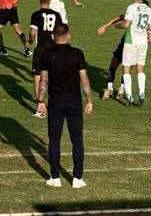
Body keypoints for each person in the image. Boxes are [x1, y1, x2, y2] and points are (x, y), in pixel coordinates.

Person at [37, 22, 92, 188]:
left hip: (56, 102)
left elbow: (43, 80)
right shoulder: (77, 54)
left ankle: (55, 177)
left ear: (53, 37)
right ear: (68, 36)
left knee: (54, 139)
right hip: (74, 101)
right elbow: (84, 79)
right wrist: (89, 100)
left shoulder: (47, 54)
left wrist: (40, 101)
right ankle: (77, 178)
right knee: (77, 139)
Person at [102, 0, 151, 106]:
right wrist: (150, 38)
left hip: (131, 41)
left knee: (126, 69)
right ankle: (142, 93)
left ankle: (129, 96)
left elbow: (125, 25)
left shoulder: (132, 7)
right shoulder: (148, 9)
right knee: (140, 69)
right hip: (143, 41)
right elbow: (150, 28)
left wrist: (115, 26)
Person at [29, 0, 63, 118]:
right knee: (54, 78)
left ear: (39, 0)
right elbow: (60, 34)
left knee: (38, 77)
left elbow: (33, 33)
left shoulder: (36, 15)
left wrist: (29, 42)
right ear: (50, 0)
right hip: (54, 50)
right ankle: (56, 105)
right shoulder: (57, 15)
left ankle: (40, 106)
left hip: (41, 50)